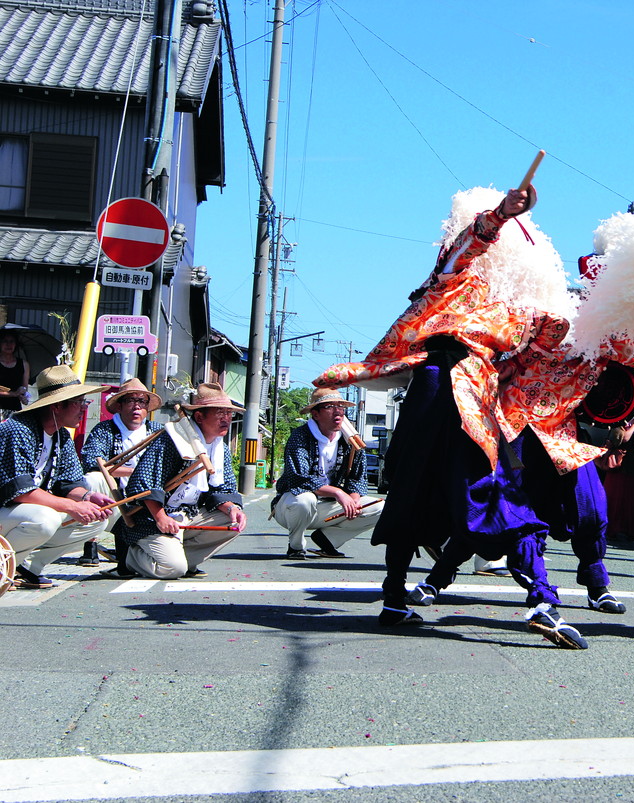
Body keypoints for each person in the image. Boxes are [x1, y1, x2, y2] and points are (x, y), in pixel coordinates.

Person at [314, 185, 592, 649]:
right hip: (448, 386)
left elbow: (550, 347)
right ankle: (541, 599)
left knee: (420, 487)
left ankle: (395, 598)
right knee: (487, 487)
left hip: (463, 392)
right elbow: (469, 243)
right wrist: (501, 214)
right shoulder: (455, 274)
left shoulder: (515, 305)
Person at [0, 365, 113, 588]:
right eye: (78, 402)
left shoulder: (61, 434)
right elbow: (21, 491)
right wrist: (71, 507)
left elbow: (69, 482)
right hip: (8, 508)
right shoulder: (18, 429)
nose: (84, 409)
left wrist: (87, 497)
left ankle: (25, 567)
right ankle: (3, 566)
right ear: (57, 406)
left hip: (21, 512)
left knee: (96, 521)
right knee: (45, 518)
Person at [121, 383, 246, 580]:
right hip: (153, 518)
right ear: (199, 417)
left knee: (231, 521)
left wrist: (232, 509)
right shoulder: (172, 439)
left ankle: (177, 556)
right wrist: (161, 517)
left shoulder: (219, 446)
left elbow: (221, 488)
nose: (226, 419)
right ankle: (132, 556)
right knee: (173, 569)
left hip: (188, 513)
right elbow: (144, 483)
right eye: (220, 412)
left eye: (229, 413)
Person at [272, 388, 382, 559]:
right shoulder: (300, 436)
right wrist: (338, 492)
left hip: (328, 507)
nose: (338, 411)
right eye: (330, 406)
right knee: (305, 500)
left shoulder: (351, 440)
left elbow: (358, 478)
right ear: (315, 414)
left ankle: (328, 540)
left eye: (341, 406)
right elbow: (299, 479)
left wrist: (353, 500)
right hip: (292, 506)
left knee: (379, 507)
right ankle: (296, 546)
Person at [79, 378, 164, 574]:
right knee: (92, 479)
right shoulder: (104, 430)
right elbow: (92, 463)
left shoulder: (158, 432)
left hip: (149, 498)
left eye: (142, 401)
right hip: (113, 498)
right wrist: (138, 472)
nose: (136, 406)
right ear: (120, 405)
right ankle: (90, 543)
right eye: (130, 401)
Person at [601, 404, 634, 543]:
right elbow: (624, 438)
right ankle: (612, 529)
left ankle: (631, 530)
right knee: (614, 497)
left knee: (632, 499)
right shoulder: (618, 421)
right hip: (618, 464)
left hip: (632, 465)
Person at [0, 329, 30, 417]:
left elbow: (24, 389)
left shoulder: (24, 364)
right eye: (5, 341)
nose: (8, 344)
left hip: (14, 410)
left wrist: (24, 397)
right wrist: (14, 393)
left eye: (11, 341)